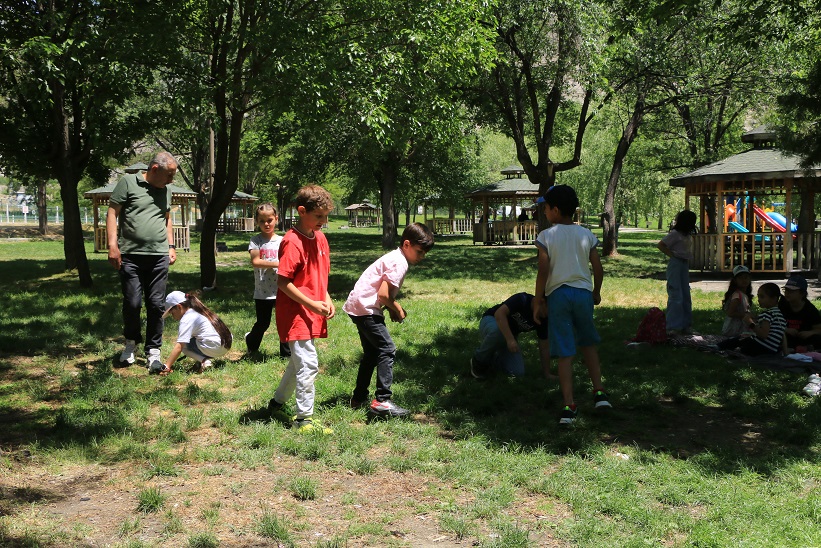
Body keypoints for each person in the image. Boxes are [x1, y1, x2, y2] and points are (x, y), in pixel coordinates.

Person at [532, 185, 610, 426]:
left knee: (565, 352)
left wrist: (538, 298)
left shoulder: (547, 236)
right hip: (583, 295)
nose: (544, 212)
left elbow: (543, 270)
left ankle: (569, 406)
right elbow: (598, 268)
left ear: (555, 210)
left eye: (545, 208)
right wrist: (595, 292)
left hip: (559, 297)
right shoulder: (586, 234)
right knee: (588, 343)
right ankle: (599, 394)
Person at [343, 223, 435, 418]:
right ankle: (382, 400)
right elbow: (384, 295)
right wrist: (397, 307)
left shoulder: (396, 257)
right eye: (419, 252)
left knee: (371, 354)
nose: (421, 257)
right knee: (387, 348)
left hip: (358, 306)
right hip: (366, 308)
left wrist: (389, 307)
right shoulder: (399, 262)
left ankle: (358, 399)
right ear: (407, 244)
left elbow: (382, 294)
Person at [265, 185, 335, 433]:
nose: (323, 222)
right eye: (319, 216)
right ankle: (304, 419)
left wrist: (325, 298)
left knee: (298, 363)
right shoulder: (292, 242)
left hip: (312, 311)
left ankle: (276, 402)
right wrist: (312, 304)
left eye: (326, 216)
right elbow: (283, 282)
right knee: (308, 363)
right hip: (296, 314)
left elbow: (320, 276)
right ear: (302, 211)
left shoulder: (321, 239)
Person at [106, 152, 178, 371]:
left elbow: (166, 219)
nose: (171, 180)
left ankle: (153, 351)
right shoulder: (128, 182)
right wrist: (112, 245)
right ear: (155, 169)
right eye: (169, 175)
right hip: (131, 256)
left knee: (156, 305)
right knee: (133, 302)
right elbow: (112, 213)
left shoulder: (166, 190)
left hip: (158, 257)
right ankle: (131, 344)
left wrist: (171, 246)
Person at [470, 292, 554, 380]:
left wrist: (547, 373)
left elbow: (544, 345)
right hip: (492, 321)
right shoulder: (522, 299)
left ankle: (490, 360)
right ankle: (478, 361)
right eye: (551, 309)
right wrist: (510, 340)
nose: (551, 314)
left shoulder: (543, 318)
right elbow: (499, 314)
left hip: (508, 335)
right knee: (498, 332)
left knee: (517, 372)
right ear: (542, 302)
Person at [245, 203, 290, 357]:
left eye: (270, 220)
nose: (266, 224)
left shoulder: (283, 240)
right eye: (262, 220)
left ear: (276, 219)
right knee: (263, 323)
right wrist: (277, 263)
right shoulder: (256, 240)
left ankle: (286, 353)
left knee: (284, 322)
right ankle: (251, 344)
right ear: (257, 221)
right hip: (263, 291)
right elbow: (255, 261)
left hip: (282, 289)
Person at [159, 291, 232, 375]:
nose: (173, 317)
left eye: (172, 313)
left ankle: (205, 361)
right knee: (192, 339)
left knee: (184, 346)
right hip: (226, 345)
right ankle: (201, 360)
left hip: (214, 348)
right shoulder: (198, 310)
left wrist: (167, 366)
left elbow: (179, 347)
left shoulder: (187, 319)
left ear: (179, 307)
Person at [717, 282, 786, 356]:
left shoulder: (767, 314)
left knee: (742, 338)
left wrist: (750, 323)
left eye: (762, 297)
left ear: (774, 298)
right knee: (747, 337)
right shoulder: (780, 315)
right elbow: (782, 336)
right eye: (758, 297)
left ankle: (719, 346)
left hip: (761, 348)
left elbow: (763, 334)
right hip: (772, 350)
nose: (759, 300)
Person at [657, 210, 697, 335]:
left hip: (684, 264)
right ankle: (672, 327)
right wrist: (673, 255)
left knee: (685, 294)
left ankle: (686, 325)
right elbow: (661, 245)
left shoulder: (687, 234)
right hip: (676, 264)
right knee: (676, 295)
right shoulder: (675, 234)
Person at [779, 274, 821, 352]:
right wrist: (786, 329)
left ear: (802, 293)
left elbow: (818, 329)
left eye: (791, 291)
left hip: (804, 338)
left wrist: (810, 333)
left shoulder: (810, 310)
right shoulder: (782, 305)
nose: (787, 293)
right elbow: (774, 323)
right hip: (787, 337)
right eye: (786, 290)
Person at [721, 265, 753, 336]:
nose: (744, 280)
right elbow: (730, 313)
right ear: (735, 280)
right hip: (734, 329)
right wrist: (745, 316)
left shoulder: (745, 294)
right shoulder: (737, 295)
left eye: (746, 277)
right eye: (740, 278)